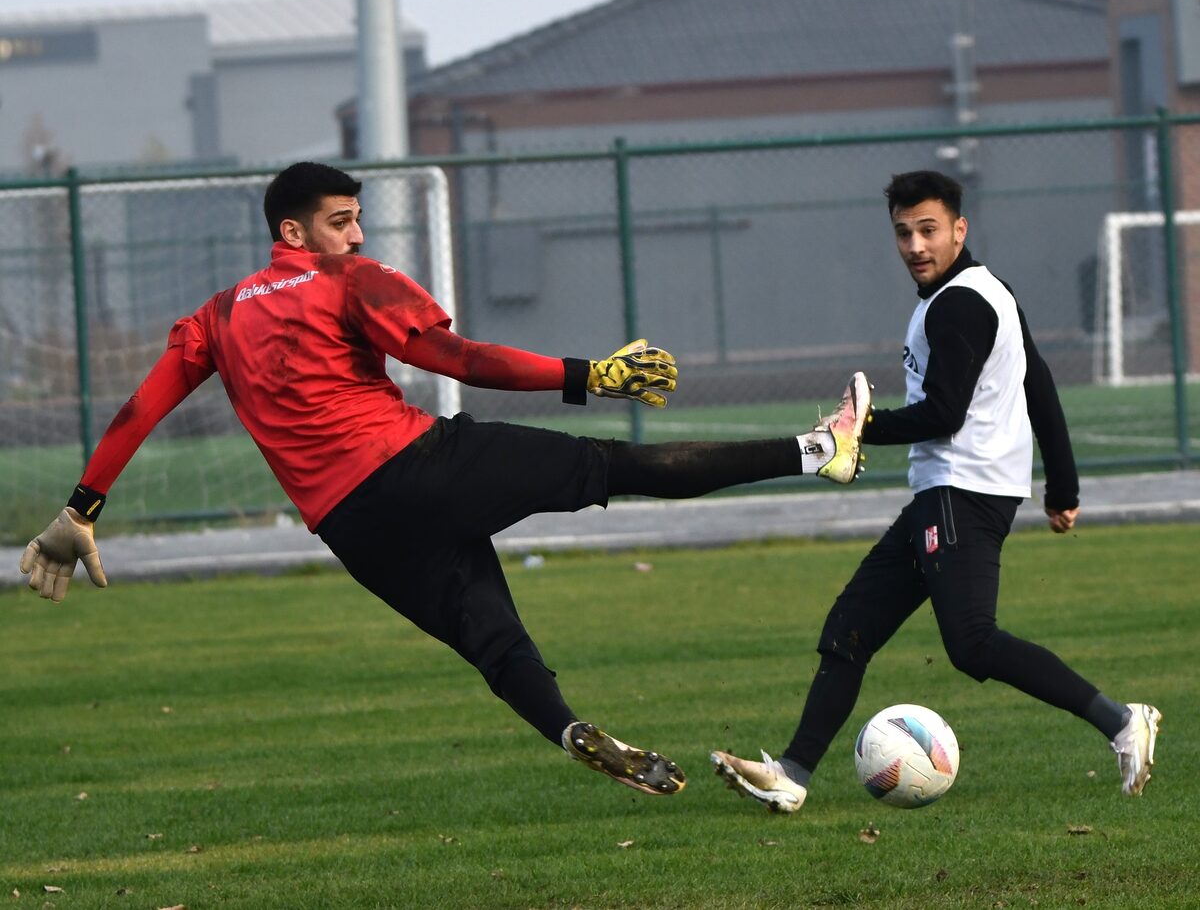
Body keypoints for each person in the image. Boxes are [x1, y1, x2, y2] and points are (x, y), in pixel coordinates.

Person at [20, 160, 873, 798]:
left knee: (494, 642)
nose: (357, 236)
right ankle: (820, 450)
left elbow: (138, 411)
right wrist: (589, 375)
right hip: (418, 465)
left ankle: (570, 728)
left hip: (350, 528)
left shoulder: (213, 316)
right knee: (615, 465)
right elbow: (458, 357)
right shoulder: (348, 280)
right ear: (294, 234)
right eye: (342, 220)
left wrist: (80, 510)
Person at [711, 169, 1161, 812]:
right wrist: (1062, 485)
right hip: (948, 494)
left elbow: (945, 414)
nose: (916, 245)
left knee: (973, 642)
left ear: (959, 228)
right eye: (903, 232)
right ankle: (792, 773)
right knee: (850, 628)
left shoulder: (958, 303)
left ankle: (1123, 722)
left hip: (961, 493)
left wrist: (860, 428)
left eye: (928, 230)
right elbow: (1039, 384)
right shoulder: (984, 291)